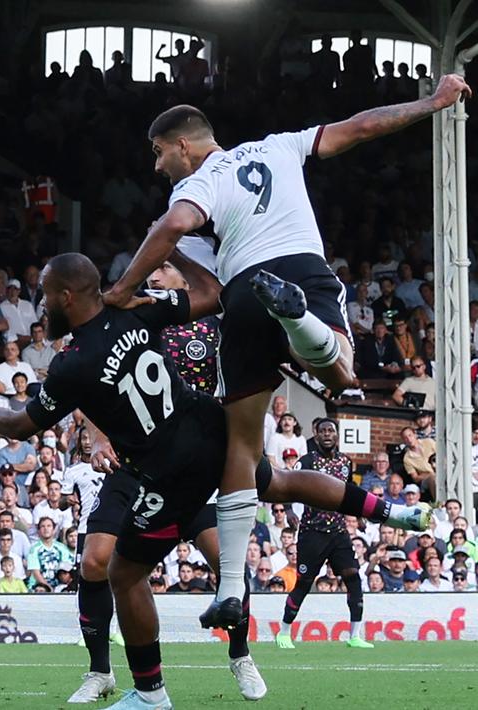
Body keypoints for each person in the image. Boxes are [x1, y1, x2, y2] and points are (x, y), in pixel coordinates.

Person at [0, 254, 428, 708]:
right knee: (276, 483)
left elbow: (21, 425)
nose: (42, 302)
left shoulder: (73, 363)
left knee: (124, 571)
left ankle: (152, 691)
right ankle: (391, 511)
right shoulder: (138, 310)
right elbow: (213, 292)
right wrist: (186, 245)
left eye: (45, 294)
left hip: (170, 469)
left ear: (67, 297)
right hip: (211, 429)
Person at [104, 75, 472, 636]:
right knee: (342, 373)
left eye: (158, 153)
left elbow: (183, 242)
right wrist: (432, 102)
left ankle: (230, 591)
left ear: (184, 145)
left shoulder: (194, 189)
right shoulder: (279, 144)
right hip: (299, 269)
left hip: (244, 300)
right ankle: (299, 316)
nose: (157, 166)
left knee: (243, 449)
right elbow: (361, 127)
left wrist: (122, 290)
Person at [275, 418, 374, 650]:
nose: (327, 434)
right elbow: (286, 483)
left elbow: (351, 492)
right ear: (316, 435)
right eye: (323, 431)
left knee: (353, 577)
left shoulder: (345, 462)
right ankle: (284, 632)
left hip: (338, 531)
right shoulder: (307, 461)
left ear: (337, 435)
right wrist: (288, 509)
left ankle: (355, 635)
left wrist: (358, 515)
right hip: (313, 533)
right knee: (304, 582)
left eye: (331, 430)